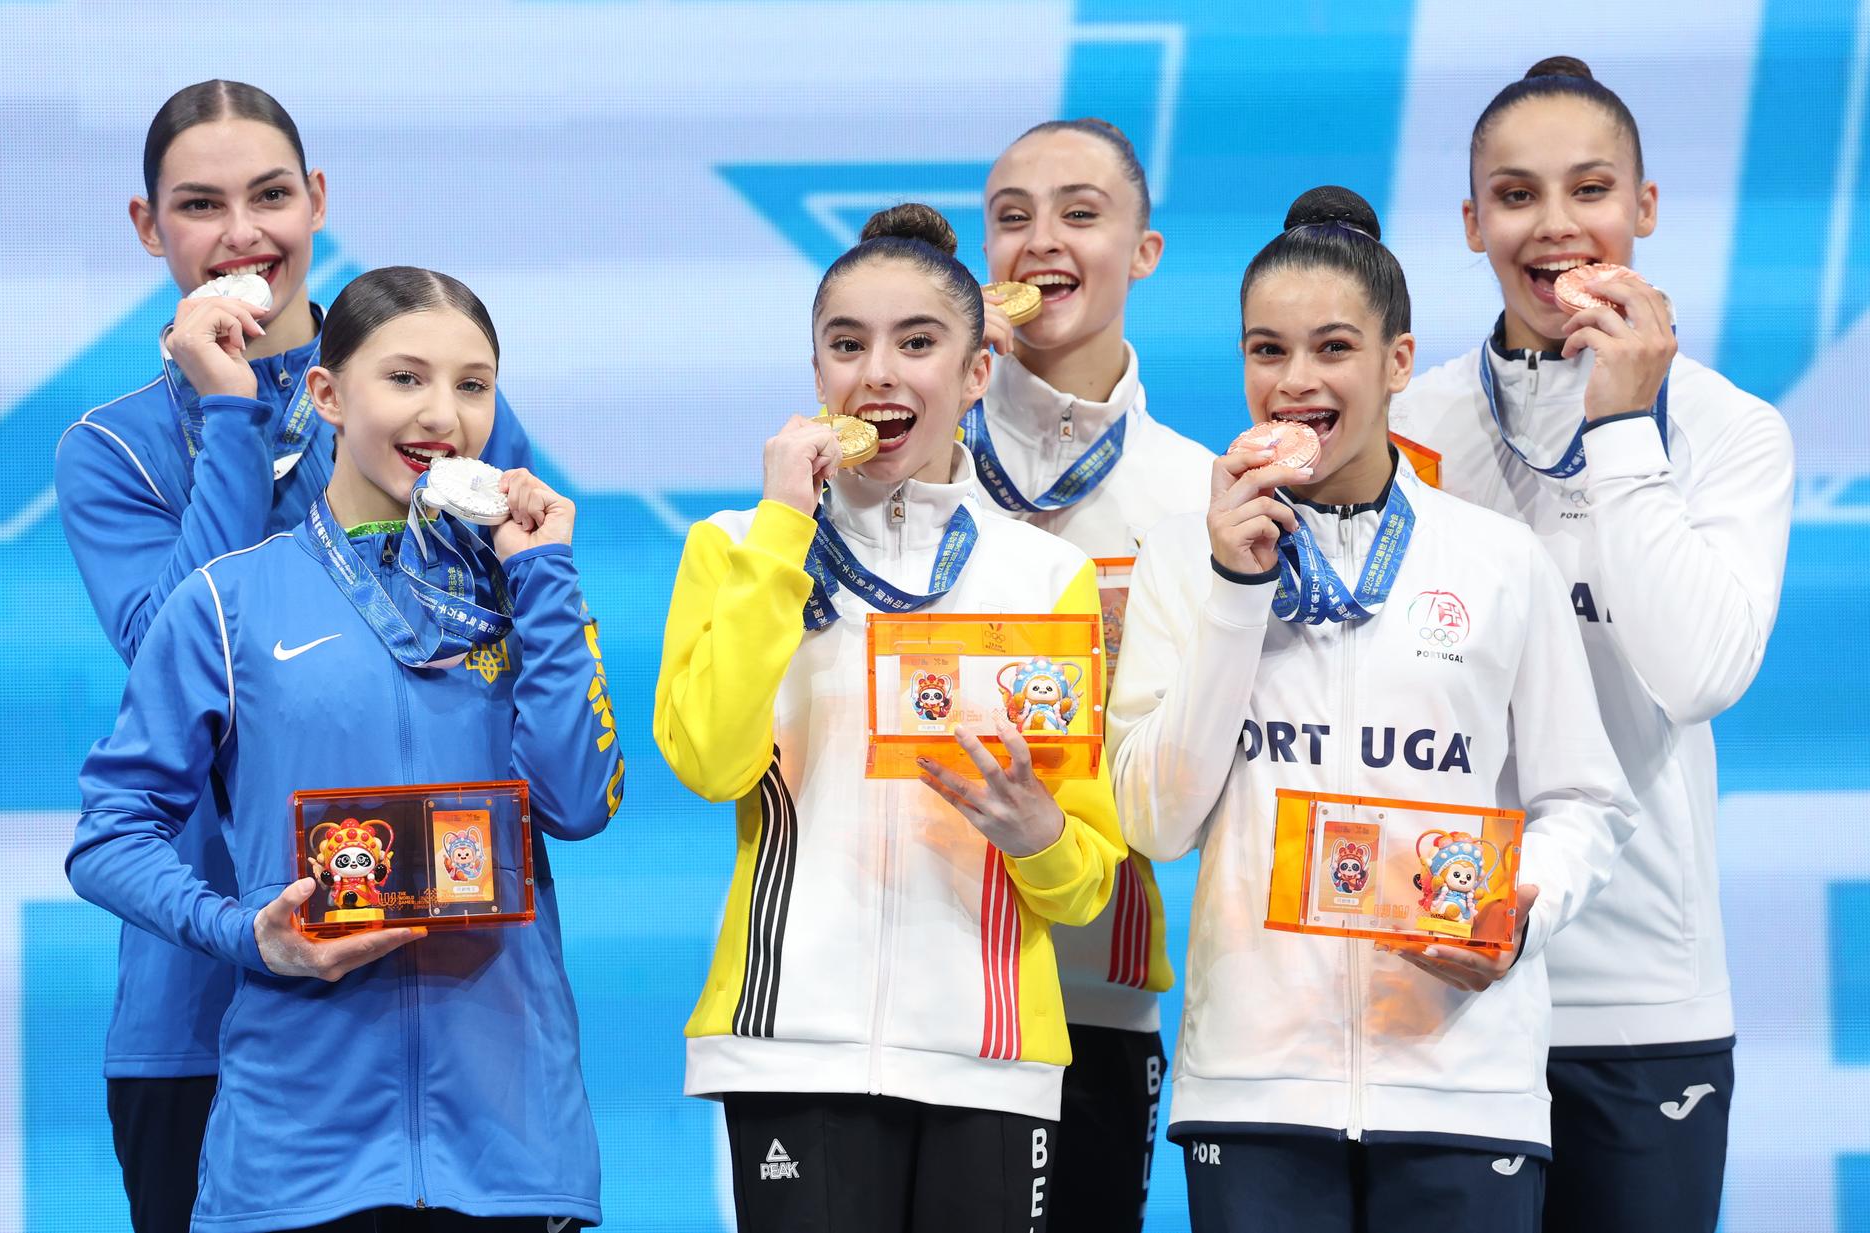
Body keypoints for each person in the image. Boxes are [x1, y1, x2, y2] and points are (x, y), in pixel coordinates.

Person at [52, 80, 534, 1232]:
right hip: (199, 989)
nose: (242, 236)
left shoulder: (437, 404)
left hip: (431, 979)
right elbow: (178, 644)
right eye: (200, 205)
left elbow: (501, 659)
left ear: (318, 200)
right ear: (146, 225)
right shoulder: (111, 449)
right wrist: (229, 414)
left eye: (271, 195)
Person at [1109, 186, 1638, 1232]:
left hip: (1462, 1081)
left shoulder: (1495, 559)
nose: (1295, 381)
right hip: (1256, 1089)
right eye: (1267, 350)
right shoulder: (1185, 554)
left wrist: (1518, 911)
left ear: (1397, 363)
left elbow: (1588, 801)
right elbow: (1154, 819)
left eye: (1333, 348)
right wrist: (1231, 587)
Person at [654, 203, 1125, 1232]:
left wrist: (1036, 836)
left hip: (989, 1059)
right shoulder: (735, 546)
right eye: (847, 344)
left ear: (973, 374)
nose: (879, 373)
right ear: (815, 373)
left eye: (918, 343)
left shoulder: (1048, 578)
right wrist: (784, 530)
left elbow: (1089, 876)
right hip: (789, 1042)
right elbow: (710, 762)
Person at [1389, 55, 1795, 1233]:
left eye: (1590, 189)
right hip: (1437, 994)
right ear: (1471, 224)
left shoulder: (1729, 433)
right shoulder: (1411, 427)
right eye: (1515, 196)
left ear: (1647, 207)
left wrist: (1623, 428)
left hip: (1638, 1008)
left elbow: (1699, 672)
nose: (1555, 226)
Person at [972, 118, 1212, 1228]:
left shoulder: (1202, 496)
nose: (1040, 241)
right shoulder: (900, 467)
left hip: (1095, 995)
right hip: (915, 992)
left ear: (1145, 251)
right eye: (1011, 217)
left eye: (1080, 212)